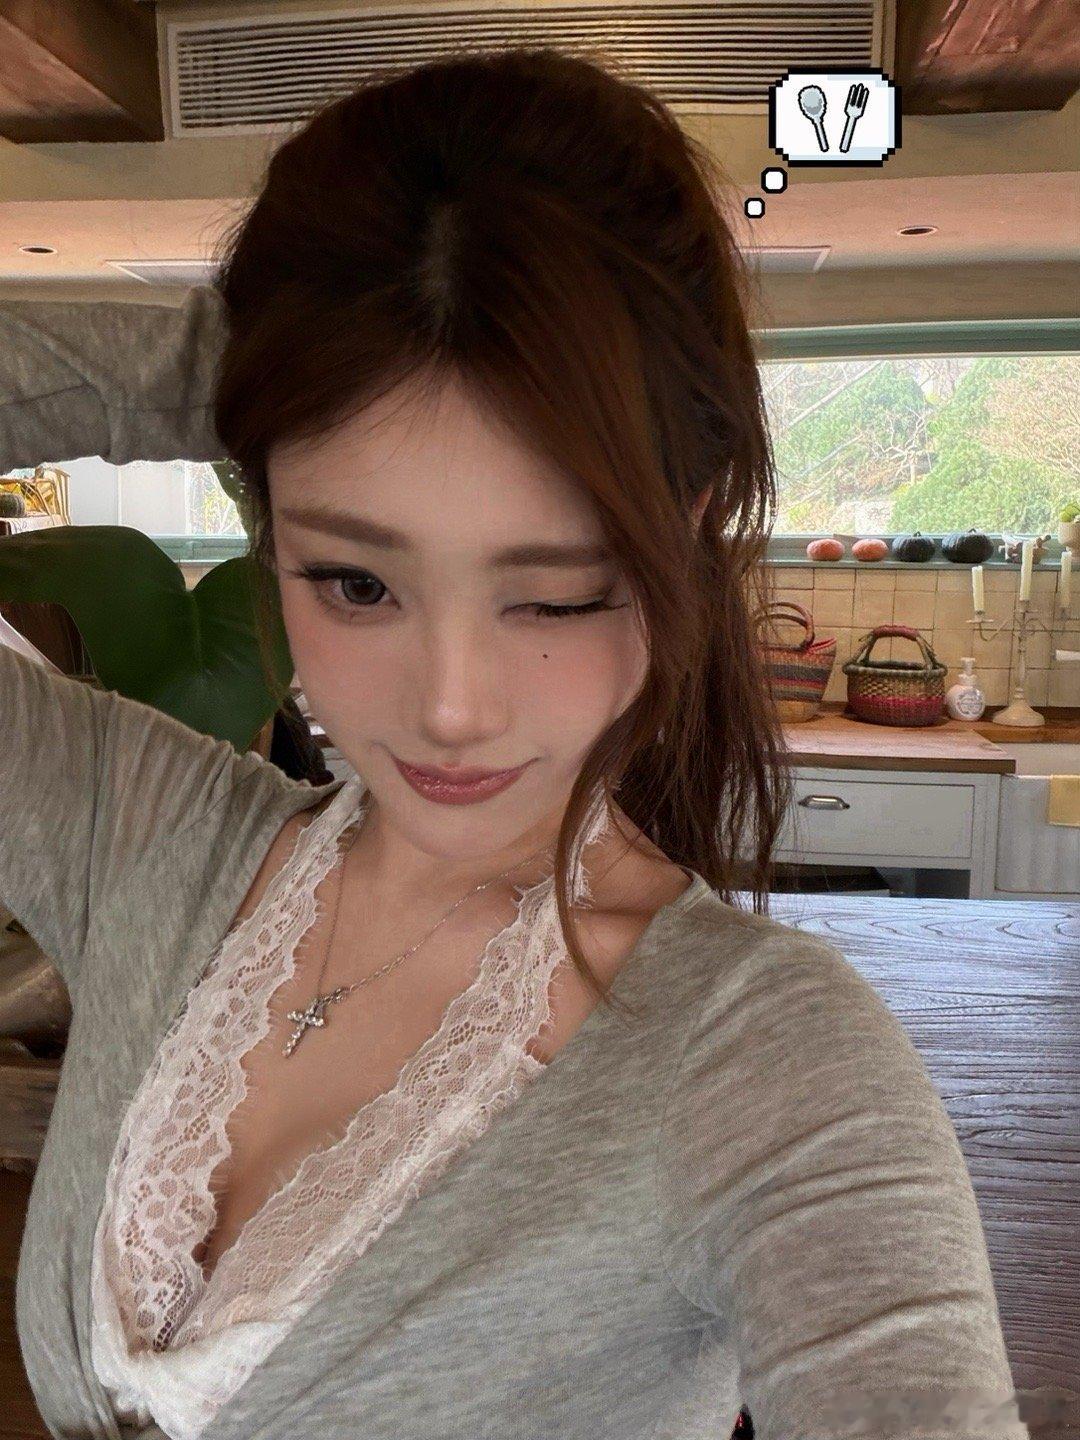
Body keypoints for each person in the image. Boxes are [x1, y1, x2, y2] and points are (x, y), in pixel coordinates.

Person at [0, 46, 1028, 1440]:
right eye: (354, 582)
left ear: (688, 534)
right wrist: (260, 368)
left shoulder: (768, 1067)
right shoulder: (133, 836)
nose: (452, 706)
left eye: (557, 595)